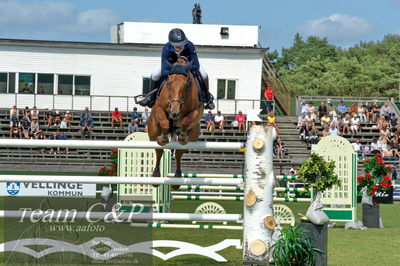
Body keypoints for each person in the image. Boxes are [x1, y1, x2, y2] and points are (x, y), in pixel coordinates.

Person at [137, 28, 214, 110]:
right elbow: (164, 71)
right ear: (171, 44)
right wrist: (175, 71)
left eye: (182, 43)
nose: (180, 46)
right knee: (155, 74)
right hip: (171, 66)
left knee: (204, 74)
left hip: (187, 66)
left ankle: (207, 97)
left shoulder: (190, 45)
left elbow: (196, 65)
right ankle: (151, 97)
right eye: (178, 45)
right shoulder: (166, 48)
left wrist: (184, 68)